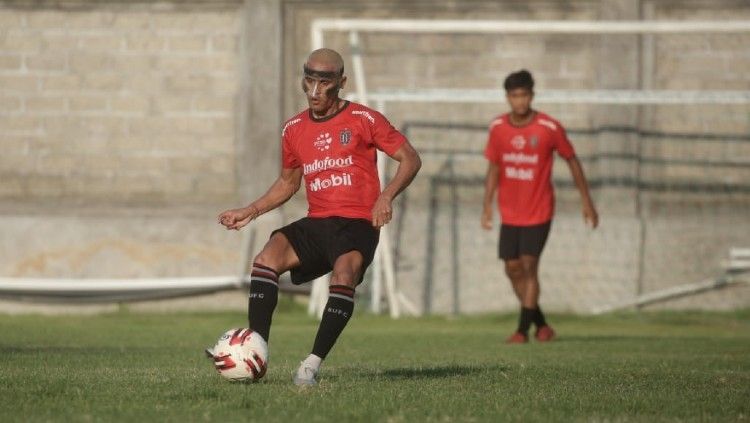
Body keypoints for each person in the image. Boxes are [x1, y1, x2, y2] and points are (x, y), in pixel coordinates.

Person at [218, 48, 421, 385]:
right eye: (309, 80)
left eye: (323, 83)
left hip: (357, 223)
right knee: (266, 258)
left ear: (341, 83)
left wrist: (386, 196)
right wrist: (250, 210)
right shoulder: (293, 128)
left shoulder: (364, 119)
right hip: (318, 221)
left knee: (343, 276)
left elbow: (410, 158)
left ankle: (310, 366)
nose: (314, 91)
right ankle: (255, 353)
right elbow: (288, 183)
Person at [481, 69, 598, 344]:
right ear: (507, 97)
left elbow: (572, 160)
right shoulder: (497, 128)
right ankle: (542, 324)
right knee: (512, 269)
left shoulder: (549, 128)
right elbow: (494, 166)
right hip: (509, 212)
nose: (519, 101)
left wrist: (587, 202)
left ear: (532, 95)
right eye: (514, 96)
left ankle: (522, 331)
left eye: (524, 95)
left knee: (529, 266)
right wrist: (487, 205)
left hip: (539, 210)